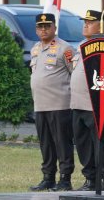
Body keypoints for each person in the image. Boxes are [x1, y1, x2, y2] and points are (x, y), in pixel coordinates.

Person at [70, 10, 104, 191]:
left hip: (96, 106)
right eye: (84, 21)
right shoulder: (81, 46)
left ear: (102, 26)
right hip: (78, 105)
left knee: (101, 145)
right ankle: (90, 180)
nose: (85, 24)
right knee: (83, 145)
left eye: (90, 22)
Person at [29, 13, 76, 192]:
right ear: (36, 29)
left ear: (54, 28)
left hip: (60, 104)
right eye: (40, 27)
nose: (43, 30)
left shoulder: (65, 48)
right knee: (46, 144)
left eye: (47, 26)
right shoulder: (35, 48)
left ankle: (65, 179)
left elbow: (75, 73)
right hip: (40, 105)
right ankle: (48, 177)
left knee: (62, 143)